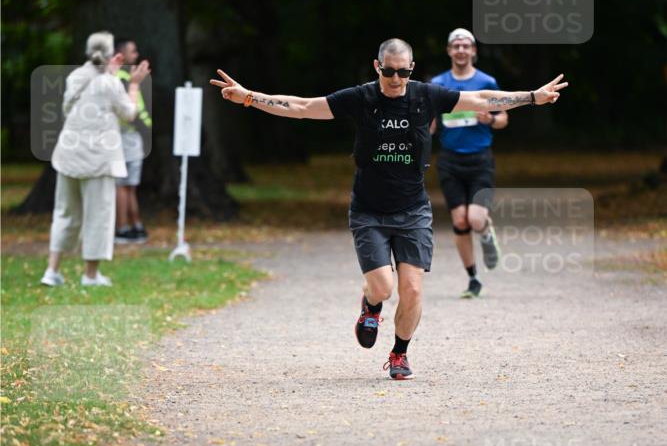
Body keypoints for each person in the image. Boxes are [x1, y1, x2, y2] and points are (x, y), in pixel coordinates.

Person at [210, 40, 567, 379]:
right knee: (382, 287)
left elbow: (481, 98)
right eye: (389, 71)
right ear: (377, 66)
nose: (396, 80)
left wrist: (533, 97)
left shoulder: (427, 96)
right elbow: (303, 107)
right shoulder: (361, 98)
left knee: (411, 290)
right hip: (369, 210)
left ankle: (399, 353)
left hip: (412, 211)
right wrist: (249, 98)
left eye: (403, 72)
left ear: (412, 69)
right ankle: (371, 306)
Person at [40, 31, 150, 287]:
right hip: (98, 159)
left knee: (64, 214)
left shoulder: (75, 76)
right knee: (98, 215)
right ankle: (90, 275)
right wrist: (133, 84)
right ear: (114, 55)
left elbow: (68, 108)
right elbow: (130, 113)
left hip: (68, 155)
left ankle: (52, 271)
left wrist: (109, 74)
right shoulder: (110, 83)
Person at [431, 28, 507, 298]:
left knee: (475, 218)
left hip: (480, 159)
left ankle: (486, 233)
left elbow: (503, 119)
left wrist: (491, 119)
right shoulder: (438, 84)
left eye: (466, 45)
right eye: (456, 46)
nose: (461, 50)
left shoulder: (487, 82)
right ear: (449, 51)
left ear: (473, 51)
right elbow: (429, 123)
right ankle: (473, 278)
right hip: (450, 160)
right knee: (460, 220)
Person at [113, 37, 152, 244]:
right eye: (133, 51)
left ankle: (127, 227)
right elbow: (134, 112)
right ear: (121, 54)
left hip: (127, 138)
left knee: (124, 185)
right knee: (126, 185)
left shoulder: (126, 77)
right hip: (128, 138)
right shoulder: (123, 78)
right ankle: (130, 227)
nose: (136, 55)